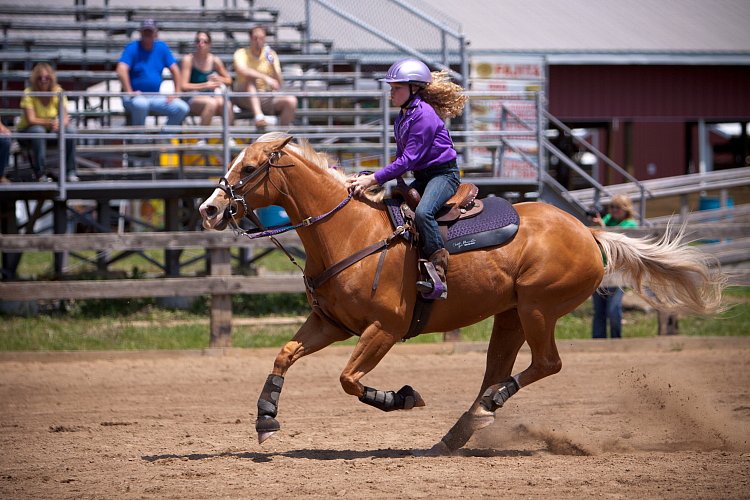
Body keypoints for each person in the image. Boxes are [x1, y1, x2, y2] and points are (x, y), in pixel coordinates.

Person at [346, 58, 467, 300]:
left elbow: (407, 160)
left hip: (443, 175)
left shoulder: (424, 116)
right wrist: (368, 176)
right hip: (422, 176)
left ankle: (439, 272)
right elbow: (402, 158)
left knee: (423, 213)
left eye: (397, 88)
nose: (392, 93)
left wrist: (373, 180)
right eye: (391, 88)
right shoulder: (403, 116)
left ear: (414, 89)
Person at [116, 19, 189, 128]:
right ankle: (139, 141)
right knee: (141, 104)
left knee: (182, 108)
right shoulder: (132, 47)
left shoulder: (161, 47)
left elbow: (175, 70)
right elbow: (121, 69)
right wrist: (129, 91)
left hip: (155, 96)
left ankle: (165, 138)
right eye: (145, 31)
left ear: (156, 33)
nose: (148, 34)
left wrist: (176, 93)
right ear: (140, 32)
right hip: (135, 96)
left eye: (150, 31)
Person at [17, 63, 78, 182]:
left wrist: (60, 124)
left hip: (50, 131)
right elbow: (31, 119)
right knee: (38, 130)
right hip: (28, 133)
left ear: (51, 78)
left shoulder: (58, 91)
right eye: (40, 78)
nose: (43, 81)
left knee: (70, 130)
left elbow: (65, 117)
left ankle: (70, 172)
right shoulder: (28, 93)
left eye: (46, 78)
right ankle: (40, 173)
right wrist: (50, 123)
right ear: (35, 79)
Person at [590, 194, 639, 338]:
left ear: (625, 209)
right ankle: (598, 341)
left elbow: (618, 239)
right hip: (601, 269)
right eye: (611, 207)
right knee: (599, 311)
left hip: (618, 272)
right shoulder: (608, 219)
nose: (613, 210)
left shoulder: (630, 224)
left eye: (617, 207)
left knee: (613, 309)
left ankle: (616, 339)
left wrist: (602, 227)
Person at [232, 25, 297, 128]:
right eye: (255, 38)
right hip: (244, 95)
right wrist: (265, 78)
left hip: (265, 95)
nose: (258, 41)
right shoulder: (241, 53)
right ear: (250, 39)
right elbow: (243, 70)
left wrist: (272, 66)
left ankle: (281, 137)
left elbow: (278, 83)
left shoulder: (270, 55)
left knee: (291, 101)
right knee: (250, 79)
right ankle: (259, 117)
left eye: (261, 38)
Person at [180, 31, 234, 127]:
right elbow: (184, 86)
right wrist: (205, 85)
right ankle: (202, 138)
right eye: (198, 41)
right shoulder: (188, 60)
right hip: (192, 97)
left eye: (204, 41)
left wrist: (219, 79)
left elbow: (229, 80)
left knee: (226, 104)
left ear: (210, 44)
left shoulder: (214, 60)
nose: (201, 44)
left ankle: (229, 138)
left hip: (210, 95)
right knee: (211, 103)